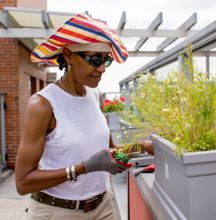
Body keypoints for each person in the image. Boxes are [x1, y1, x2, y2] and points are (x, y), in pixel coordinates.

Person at [15, 13, 154, 220]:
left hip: (103, 207)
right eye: (94, 60)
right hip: (58, 212)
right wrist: (84, 168)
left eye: (105, 61)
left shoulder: (95, 96)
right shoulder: (43, 105)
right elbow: (23, 182)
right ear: (69, 55)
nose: (101, 69)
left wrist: (142, 147)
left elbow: (109, 152)